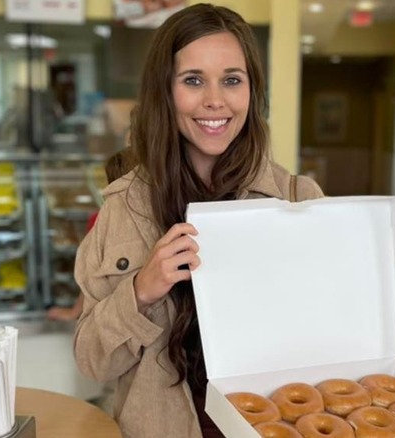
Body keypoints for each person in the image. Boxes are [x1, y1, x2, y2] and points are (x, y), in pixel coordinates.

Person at [73, 4, 324, 438]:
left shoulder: (299, 202)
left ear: (252, 91)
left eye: (232, 79)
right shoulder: (122, 211)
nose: (215, 100)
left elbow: (336, 341)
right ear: (165, 92)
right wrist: (141, 290)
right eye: (193, 80)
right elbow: (93, 362)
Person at [46, 148, 138, 322]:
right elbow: (91, 274)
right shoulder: (101, 221)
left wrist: (75, 312)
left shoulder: (100, 218)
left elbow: (89, 275)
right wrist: (76, 312)